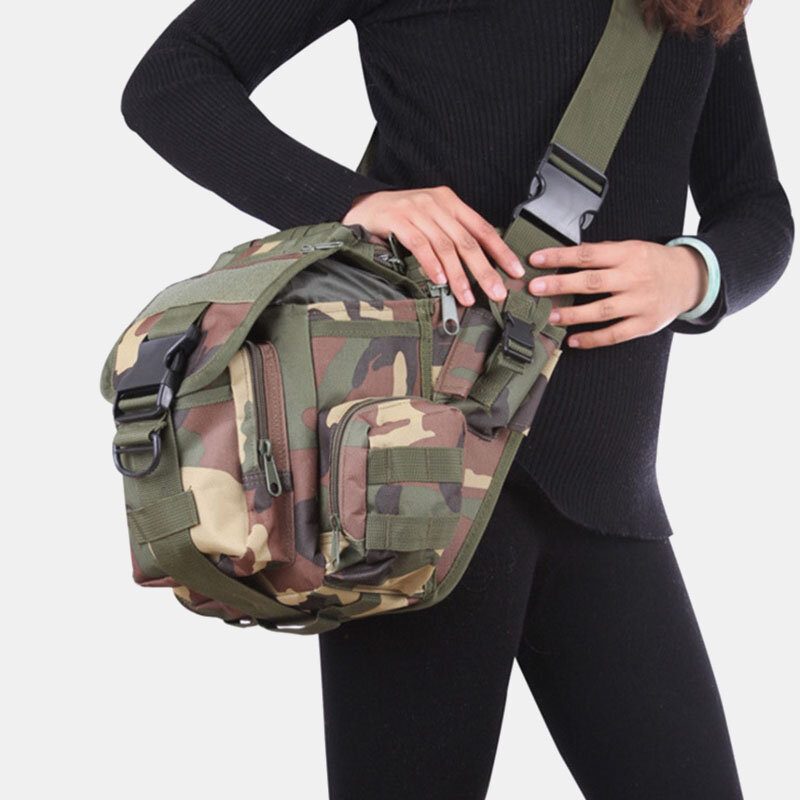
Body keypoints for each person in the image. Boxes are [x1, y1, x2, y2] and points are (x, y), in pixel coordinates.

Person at [120, 1, 793, 797]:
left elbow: (756, 205)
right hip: (406, 500)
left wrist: (693, 275)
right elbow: (171, 81)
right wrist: (353, 202)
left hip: (609, 502)